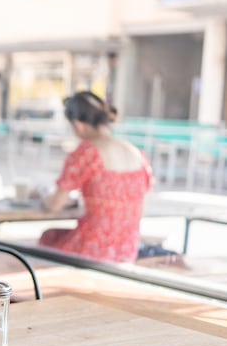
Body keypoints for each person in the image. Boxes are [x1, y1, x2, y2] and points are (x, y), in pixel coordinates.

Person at [38, 91, 152, 262]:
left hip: (91, 250)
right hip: (128, 250)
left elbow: (55, 205)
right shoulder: (136, 153)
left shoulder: (88, 152)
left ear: (78, 125)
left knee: (48, 237)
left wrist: (42, 197)